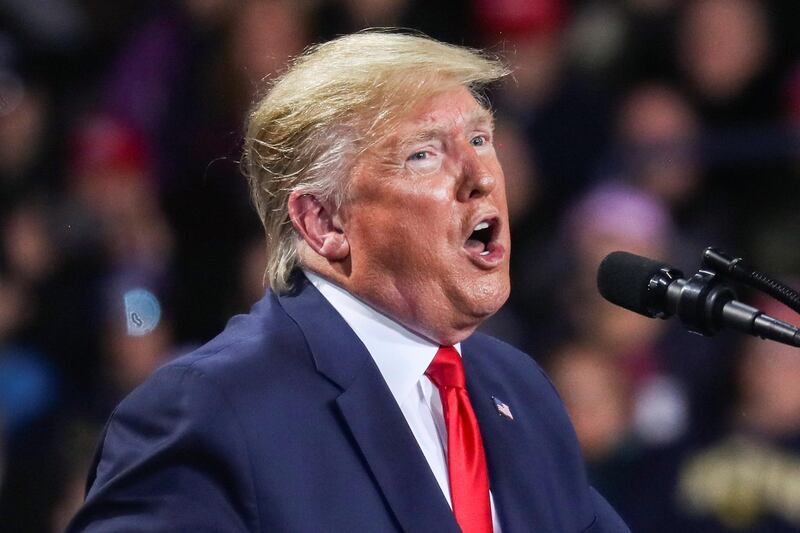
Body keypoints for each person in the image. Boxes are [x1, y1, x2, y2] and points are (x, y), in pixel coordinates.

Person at [67, 31, 629, 532]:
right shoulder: (211, 408)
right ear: (324, 222)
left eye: (481, 140)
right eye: (424, 154)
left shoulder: (520, 390)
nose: (482, 176)